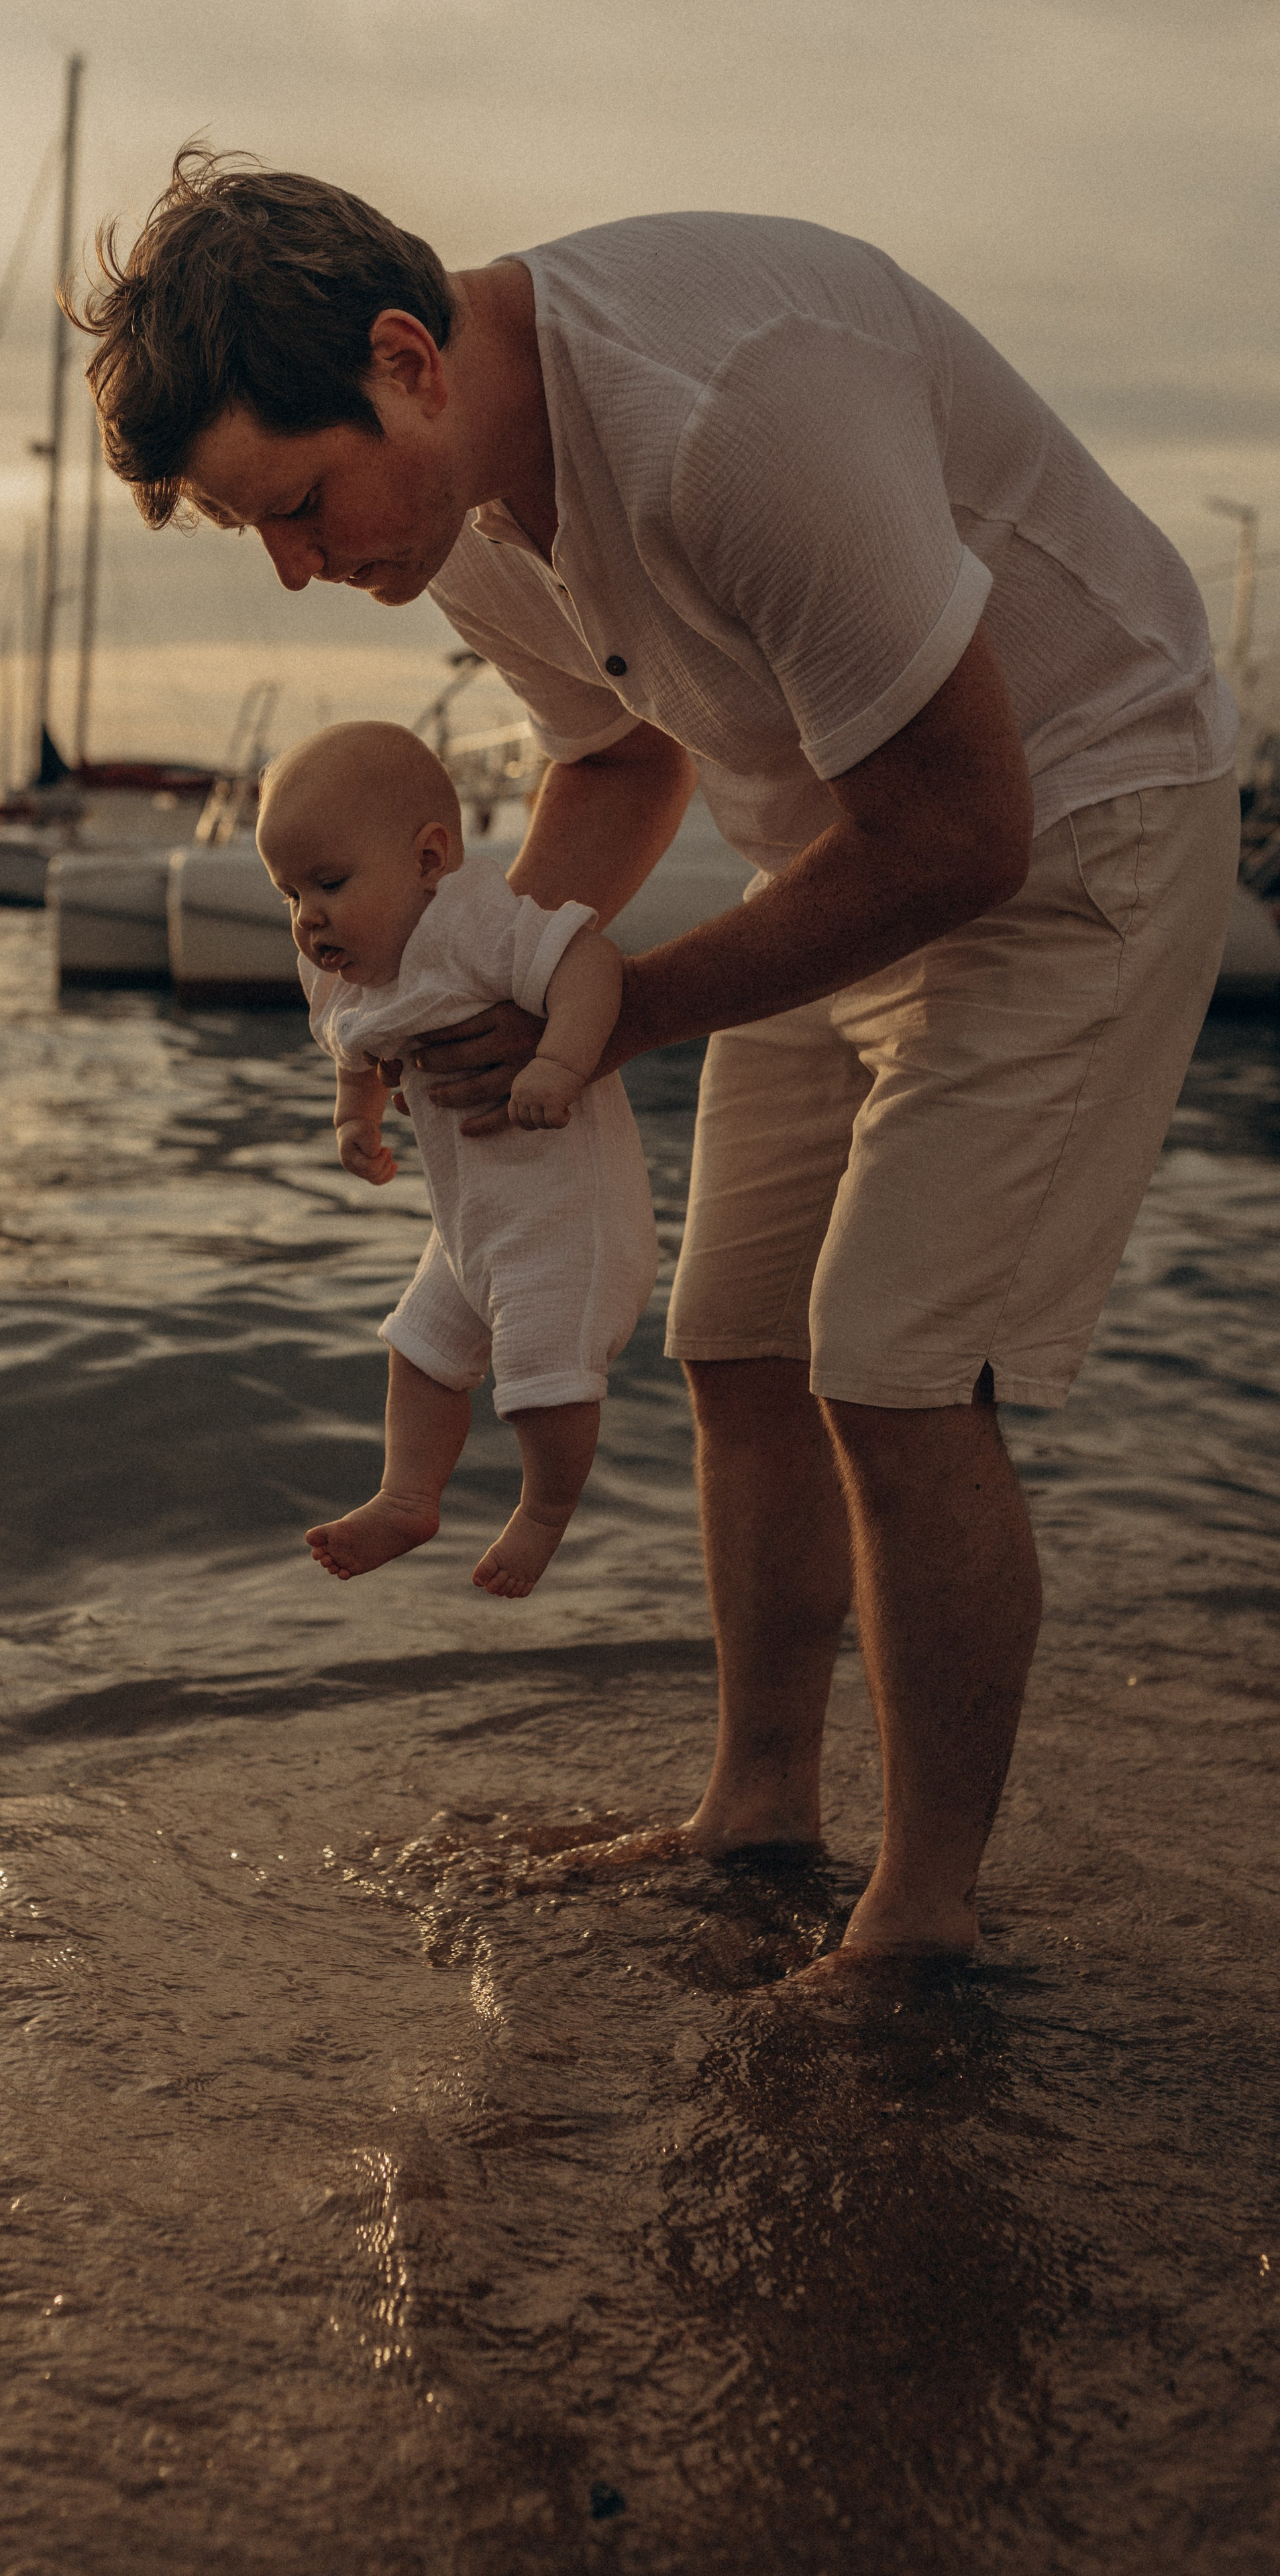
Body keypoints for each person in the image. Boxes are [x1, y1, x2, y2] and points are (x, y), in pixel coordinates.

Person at [70, 150, 1240, 1972]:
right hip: (840, 843)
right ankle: (757, 1809)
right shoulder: (460, 512)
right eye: (258, 535)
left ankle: (921, 1917)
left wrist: (613, 1012)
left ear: (406, 360)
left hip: (1082, 815)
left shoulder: (726, 414)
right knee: (735, 1342)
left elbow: (962, 830)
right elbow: (619, 762)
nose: (300, 568)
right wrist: (475, 994)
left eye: (296, 505)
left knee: (895, 1363)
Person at [257, 718, 657, 1599]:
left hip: (566, 1223)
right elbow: (356, 1044)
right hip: (468, 1227)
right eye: (290, 893)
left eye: (329, 883)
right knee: (419, 1348)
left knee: (545, 1380)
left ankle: (545, 1511)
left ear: (429, 859)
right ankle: (408, 1497)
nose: (309, 915)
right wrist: (354, 1116)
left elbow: (591, 962)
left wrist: (561, 1062)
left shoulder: (475, 926)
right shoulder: (348, 967)